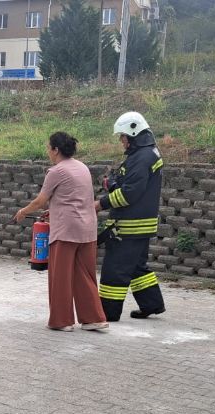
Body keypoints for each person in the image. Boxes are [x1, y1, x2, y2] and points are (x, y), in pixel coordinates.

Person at [15, 132, 109, 332]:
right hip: (88, 229)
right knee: (85, 275)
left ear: (56, 150)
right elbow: (75, 197)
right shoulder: (82, 167)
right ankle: (94, 318)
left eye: (49, 148)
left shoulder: (56, 171)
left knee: (60, 277)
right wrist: (54, 209)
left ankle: (62, 321)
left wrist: (23, 212)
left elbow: (40, 201)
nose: (48, 152)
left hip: (66, 231)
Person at [95, 111, 165, 321]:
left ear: (133, 133)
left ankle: (107, 312)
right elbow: (130, 185)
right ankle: (151, 305)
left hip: (129, 226)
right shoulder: (147, 154)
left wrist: (101, 203)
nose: (121, 141)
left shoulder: (142, 157)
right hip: (140, 225)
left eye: (122, 137)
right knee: (136, 267)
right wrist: (113, 183)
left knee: (114, 270)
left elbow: (129, 194)